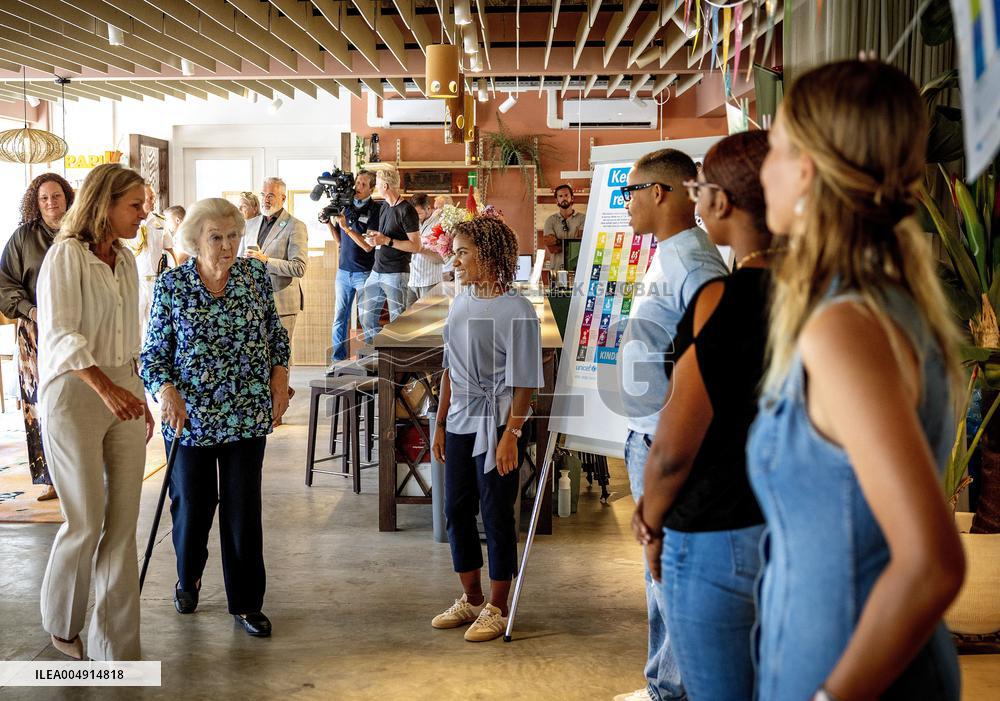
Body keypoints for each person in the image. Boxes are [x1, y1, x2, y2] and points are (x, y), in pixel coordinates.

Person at [749, 60, 965, 701]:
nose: (764, 168)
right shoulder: (885, 299)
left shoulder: (843, 328)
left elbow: (933, 562)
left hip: (851, 672)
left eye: (777, 149)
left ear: (809, 169)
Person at [633, 131, 774, 700]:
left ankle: (670, 690)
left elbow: (683, 434)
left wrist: (652, 514)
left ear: (720, 201)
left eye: (704, 187)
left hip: (711, 503)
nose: (627, 200)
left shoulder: (717, 284)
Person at [141, 198, 291, 639]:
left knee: (244, 510)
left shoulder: (253, 277)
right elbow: (153, 356)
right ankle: (188, 578)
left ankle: (246, 602)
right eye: (216, 237)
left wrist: (280, 375)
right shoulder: (172, 286)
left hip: (245, 415)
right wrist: (165, 391)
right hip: (189, 420)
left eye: (233, 237)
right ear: (195, 239)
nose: (227, 246)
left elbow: (275, 334)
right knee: (192, 507)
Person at [615, 149, 728, 701]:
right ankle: (665, 683)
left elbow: (712, 363)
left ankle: (674, 691)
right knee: (657, 572)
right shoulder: (669, 255)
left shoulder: (694, 264)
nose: (626, 204)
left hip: (668, 439)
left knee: (670, 571)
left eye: (629, 192)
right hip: (648, 433)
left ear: (659, 192)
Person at [35, 164, 154, 661]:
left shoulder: (126, 259)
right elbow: (62, 335)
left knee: (124, 523)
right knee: (85, 518)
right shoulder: (65, 256)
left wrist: (139, 393)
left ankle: (116, 645)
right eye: (135, 205)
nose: (143, 214)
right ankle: (62, 624)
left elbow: (130, 335)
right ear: (104, 204)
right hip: (74, 391)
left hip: (122, 384)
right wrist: (107, 389)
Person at [431, 217, 542, 643]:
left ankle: (498, 605)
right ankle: (471, 598)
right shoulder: (460, 302)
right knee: (456, 510)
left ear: (489, 256)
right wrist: (440, 423)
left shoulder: (517, 310)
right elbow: (449, 369)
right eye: (454, 251)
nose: (454, 260)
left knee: (495, 513)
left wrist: (510, 436)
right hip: (460, 419)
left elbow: (525, 382)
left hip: (496, 423)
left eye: (463, 252)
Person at [0, 173, 74, 501]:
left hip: (77, 328)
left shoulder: (82, 233)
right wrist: (31, 311)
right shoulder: (22, 238)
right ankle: (49, 478)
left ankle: (81, 474)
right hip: (35, 331)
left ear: (67, 198)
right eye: (44, 198)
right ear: (35, 201)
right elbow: (5, 283)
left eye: (56, 196)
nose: (50, 203)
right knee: (40, 403)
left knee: (77, 401)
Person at [238, 177, 308, 351]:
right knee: (256, 356)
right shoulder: (249, 224)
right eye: (263, 195)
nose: (265, 200)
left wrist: (266, 261)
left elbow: (299, 267)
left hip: (282, 303)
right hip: (252, 302)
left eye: (270, 195)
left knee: (280, 357)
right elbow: (238, 259)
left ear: (283, 198)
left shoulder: (295, 226)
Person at [360, 166, 421, 343]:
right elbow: (383, 237)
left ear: (386, 186)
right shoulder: (385, 206)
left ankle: (396, 365)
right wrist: (375, 239)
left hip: (396, 273)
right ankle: (379, 357)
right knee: (366, 318)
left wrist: (386, 240)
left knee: (398, 323)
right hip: (376, 271)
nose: (376, 188)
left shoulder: (407, 210)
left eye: (377, 184)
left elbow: (416, 246)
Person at [327, 169, 380, 365]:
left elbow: (367, 246)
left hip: (365, 273)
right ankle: (337, 361)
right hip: (343, 273)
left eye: (363, 185)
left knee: (368, 320)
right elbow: (340, 241)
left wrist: (347, 227)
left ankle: (371, 362)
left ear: (372, 189)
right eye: (357, 183)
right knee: (339, 318)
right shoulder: (346, 207)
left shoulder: (376, 211)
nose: (358, 187)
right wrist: (329, 224)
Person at [130, 184, 181, 338]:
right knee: (135, 325)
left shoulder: (160, 221)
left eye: (153, 197)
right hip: (136, 281)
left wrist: (176, 273)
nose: (153, 201)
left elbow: (170, 249)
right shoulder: (130, 222)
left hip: (155, 281)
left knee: (155, 323)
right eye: (149, 198)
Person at [407, 193, 446, 303]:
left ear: (428, 208)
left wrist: (419, 248)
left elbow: (441, 258)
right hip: (412, 280)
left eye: (418, 213)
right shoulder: (412, 222)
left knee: (429, 319)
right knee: (407, 318)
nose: (415, 217)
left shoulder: (440, 224)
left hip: (430, 282)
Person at [542, 184, 586, 271]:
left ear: (572, 198)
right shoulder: (550, 220)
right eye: (560, 196)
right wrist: (572, 243)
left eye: (566, 195)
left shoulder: (583, 219)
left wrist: (557, 241)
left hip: (578, 269)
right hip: (556, 270)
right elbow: (553, 248)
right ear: (557, 200)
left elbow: (582, 246)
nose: (564, 198)